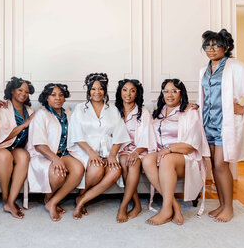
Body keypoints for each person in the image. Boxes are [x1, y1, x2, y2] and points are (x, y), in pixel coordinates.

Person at [199, 29, 244, 222]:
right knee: (214, 165)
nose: (211, 49)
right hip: (207, 124)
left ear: (226, 47)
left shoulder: (234, 66)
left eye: (215, 45)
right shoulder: (204, 71)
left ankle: (229, 207)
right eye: (207, 45)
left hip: (225, 124)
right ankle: (221, 205)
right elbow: (206, 96)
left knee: (222, 165)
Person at [142, 79, 210, 225]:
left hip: (183, 157)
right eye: (166, 91)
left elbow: (192, 144)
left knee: (167, 159)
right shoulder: (158, 112)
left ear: (181, 93)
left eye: (174, 91)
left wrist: (168, 149)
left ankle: (166, 210)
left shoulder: (189, 112)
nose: (169, 95)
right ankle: (174, 205)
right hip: (162, 153)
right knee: (147, 159)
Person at [68, 73, 131, 219]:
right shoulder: (80, 108)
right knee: (96, 169)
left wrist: (112, 155)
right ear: (88, 91)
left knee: (115, 171)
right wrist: (92, 153)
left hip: (107, 150)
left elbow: (119, 134)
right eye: (93, 89)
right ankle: (82, 196)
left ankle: (81, 199)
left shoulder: (112, 109)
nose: (97, 92)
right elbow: (76, 135)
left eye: (101, 88)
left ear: (105, 90)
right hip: (85, 149)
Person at [27, 83, 84, 221]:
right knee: (58, 174)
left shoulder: (68, 114)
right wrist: (55, 159)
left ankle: (52, 201)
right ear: (47, 98)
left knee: (78, 169)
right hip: (43, 155)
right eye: (53, 95)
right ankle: (48, 199)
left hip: (63, 154)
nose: (58, 98)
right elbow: (39, 145)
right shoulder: (41, 114)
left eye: (61, 95)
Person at [0, 77, 35, 219]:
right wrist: (24, 124)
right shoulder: (2, 107)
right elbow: (3, 137)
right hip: (2, 146)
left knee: (24, 156)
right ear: (12, 91)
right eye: (20, 90)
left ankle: (11, 201)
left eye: (26, 91)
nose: (23, 93)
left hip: (18, 147)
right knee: (5, 156)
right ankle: (5, 195)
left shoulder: (29, 110)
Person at [114, 79, 156, 223]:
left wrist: (136, 152)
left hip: (139, 149)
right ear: (120, 92)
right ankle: (137, 205)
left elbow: (147, 136)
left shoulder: (143, 112)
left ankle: (123, 206)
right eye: (125, 90)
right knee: (124, 160)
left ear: (137, 94)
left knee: (133, 162)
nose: (128, 94)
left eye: (132, 90)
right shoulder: (114, 111)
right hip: (121, 150)